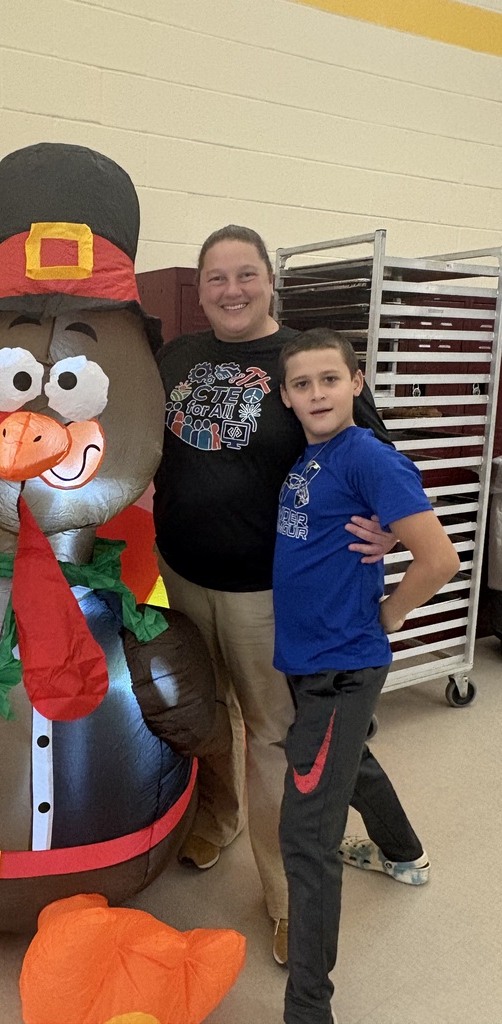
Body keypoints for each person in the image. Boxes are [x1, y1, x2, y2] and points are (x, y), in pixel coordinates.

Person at [152, 225, 393, 964]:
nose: (232, 289)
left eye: (246, 274)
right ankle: (216, 820)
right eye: (217, 277)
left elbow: (375, 450)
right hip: (183, 574)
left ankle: (287, 898)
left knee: (272, 741)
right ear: (200, 289)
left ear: (269, 281)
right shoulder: (177, 358)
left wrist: (386, 530)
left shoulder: (300, 362)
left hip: (268, 592)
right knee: (208, 715)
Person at [273, 327, 460, 1024]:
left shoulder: (370, 458)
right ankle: (403, 852)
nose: (316, 392)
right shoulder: (316, 455)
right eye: (302, 383)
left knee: (304, 837)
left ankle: (308, 1010)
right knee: (351, 759)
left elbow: (439, 559)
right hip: (312, 657)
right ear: (287, 395)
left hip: (340, 666)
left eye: (329, 379)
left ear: (357, 382)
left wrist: (388, 616)